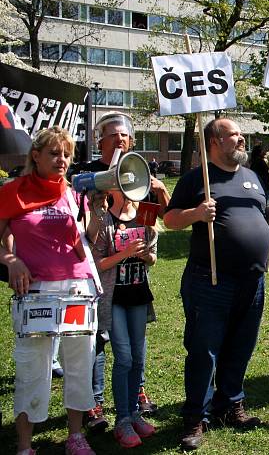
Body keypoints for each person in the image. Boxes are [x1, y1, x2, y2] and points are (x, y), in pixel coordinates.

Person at [163, 118, 269, 450]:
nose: (242, 139)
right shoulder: (196, 179)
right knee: (204, 351)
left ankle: (230, 405)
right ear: (215, 141)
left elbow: (260, 214)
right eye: (235, 134)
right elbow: (169, 219)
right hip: (210, 280)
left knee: (241, 345)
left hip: (252, 280)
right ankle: (195, 419)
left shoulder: (253, 177)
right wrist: (196, 214)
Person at [0, 127, 98, 455]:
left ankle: (75, 436)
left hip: (77, 286)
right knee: (32, 367)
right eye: (55, 153)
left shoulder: (72, 193)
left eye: (67, 154)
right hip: (37, 290)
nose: (62, 160)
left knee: (79, 363)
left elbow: (88, 239)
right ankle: (25, 446)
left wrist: (96, 209)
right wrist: (10, 258)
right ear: (35, 155)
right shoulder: (13, 191)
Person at [81, 112, 170, 431]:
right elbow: (94, 253)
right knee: (116, 352)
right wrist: (98, 213)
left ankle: (132, 409)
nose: (120, 140)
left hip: (137, 291)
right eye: (112, 135)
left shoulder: (141, 200)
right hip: (108, 291)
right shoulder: (95, 191)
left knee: (136, 356)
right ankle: (108, 410)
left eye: (125, 136)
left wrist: (145, 254)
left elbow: (156, 244)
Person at [88, 187, 158, 448]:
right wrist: (125, 254)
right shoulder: (104, 218)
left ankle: (134, 415)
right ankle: (123, 421)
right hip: (114, 299)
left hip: (139, 296)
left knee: (138, 358)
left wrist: (142, 255)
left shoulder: (146, 214)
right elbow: (96, 264)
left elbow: (153, 258)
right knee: (124, 357)